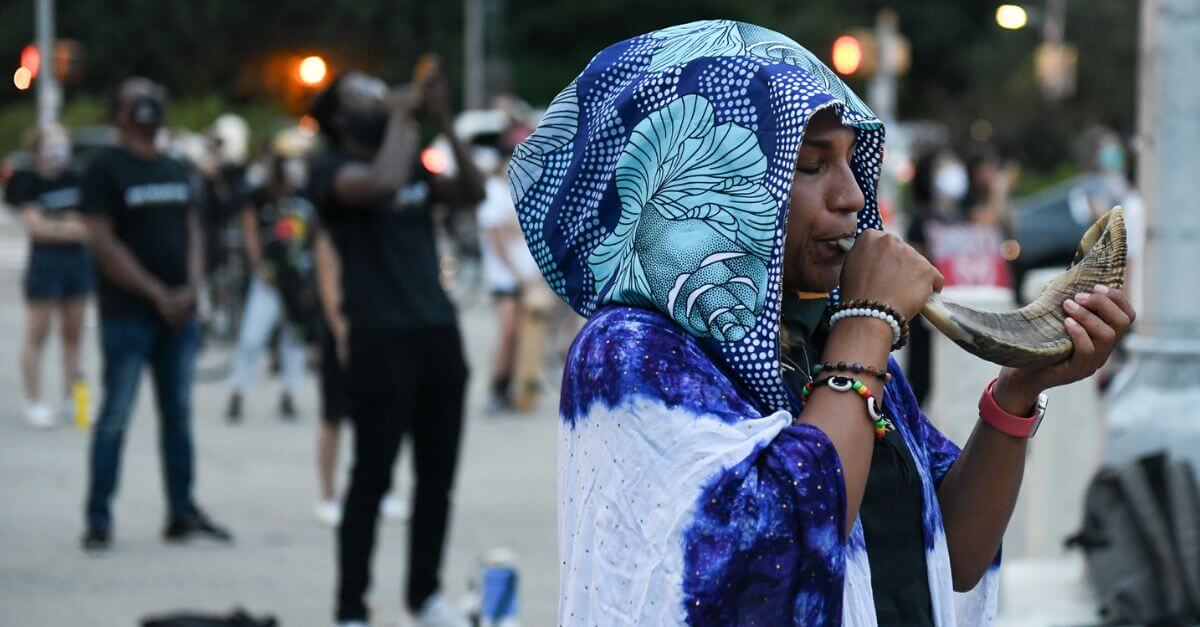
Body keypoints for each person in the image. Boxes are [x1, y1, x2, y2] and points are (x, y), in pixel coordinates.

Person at [509, 21, 1135, 625]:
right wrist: (867, 324)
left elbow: (951, 553)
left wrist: (1017, 391)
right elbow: (768, 557)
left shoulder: (823, 341)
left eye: (850, 163)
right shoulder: (630, 352)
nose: (853, 197)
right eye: (810, 166)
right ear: (708, 185)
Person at [306, 62, 485, 627]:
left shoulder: (407, 159)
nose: (378, 94)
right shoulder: (330, 170)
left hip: (437, 334)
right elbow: (380, 185)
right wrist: (404, 116)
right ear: (339, 117)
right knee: (372, 479)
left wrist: (444, 118)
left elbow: (473, 192)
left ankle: (424, 596)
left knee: (437, 479)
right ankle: (350, 608)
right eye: (362, 92)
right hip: (379, 342)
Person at [79, 77, 232, 552]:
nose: (148, 107)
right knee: (116, 415)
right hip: (128, 314)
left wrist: (189, 288)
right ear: (118, 113)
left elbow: (192, 229)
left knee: (178, 415)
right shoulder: (104, 169)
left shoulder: (174, 166)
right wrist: (155, 292)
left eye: (153, 99)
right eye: (137, 100)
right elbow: (102, 242)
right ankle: (99, 519)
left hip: (177, 315)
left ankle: (181, 512)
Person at [5, 123, 92, 428]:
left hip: (76, 263)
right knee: (38, 332)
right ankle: (34, 400)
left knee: (73, 334)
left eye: (62, 144)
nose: (58, 151)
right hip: (45, 263)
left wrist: (56, 226)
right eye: (52, 145)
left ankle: (71, 398)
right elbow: (35, 227)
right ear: (39, 149)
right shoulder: (28, 181)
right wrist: (66, 227)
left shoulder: (78, 178)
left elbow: (86, 227)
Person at [224, 148, 311, 423]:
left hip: (297, 278)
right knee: (252, 336)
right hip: (269, 278)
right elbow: (250, 232)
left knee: (295, 336)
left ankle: (289, 393)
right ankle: (238, 390)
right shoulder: (259, 196)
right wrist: (259, 266)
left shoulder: (303, 197)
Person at [475, 149, 539, 411]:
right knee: (508, 333)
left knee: (524, 336)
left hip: (525, 277)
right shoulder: (493, 192)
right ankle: (496, 387)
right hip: (504, 279)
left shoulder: (521, 190)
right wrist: (518, 273)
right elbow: (496, 239)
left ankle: (515, 388)